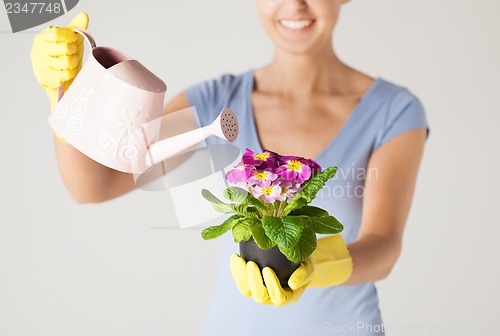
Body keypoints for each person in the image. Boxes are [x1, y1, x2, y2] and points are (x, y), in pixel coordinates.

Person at [31, 1, 428, 335]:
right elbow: (94, 186)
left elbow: (385, 246)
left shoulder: (394, 111)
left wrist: (316, 263)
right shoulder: (215, 102)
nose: (295, 4)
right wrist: (65, 95)